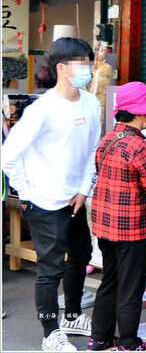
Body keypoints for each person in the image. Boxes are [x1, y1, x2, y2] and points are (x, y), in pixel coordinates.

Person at [1, 37, 101, 352]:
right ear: (62, 68)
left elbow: (91, 152)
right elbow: (9, 155)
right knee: (51, 267)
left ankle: (71, 315)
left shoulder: (92, 103)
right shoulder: (42, 109)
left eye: (89, 62)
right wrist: (28, 193)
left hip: (75, 199)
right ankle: (50, 332)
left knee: (81, 256)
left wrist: (84, 190)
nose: (89, 68)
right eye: (82, 63)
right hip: (43, 201)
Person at [87, 82, 146, 352]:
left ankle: (100, 339)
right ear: (136, 114)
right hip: (134, 229)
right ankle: (128, 343)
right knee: (131, 288)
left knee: (110, 281)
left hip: (105, 225)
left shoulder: (109, 139)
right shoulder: (142, 148)